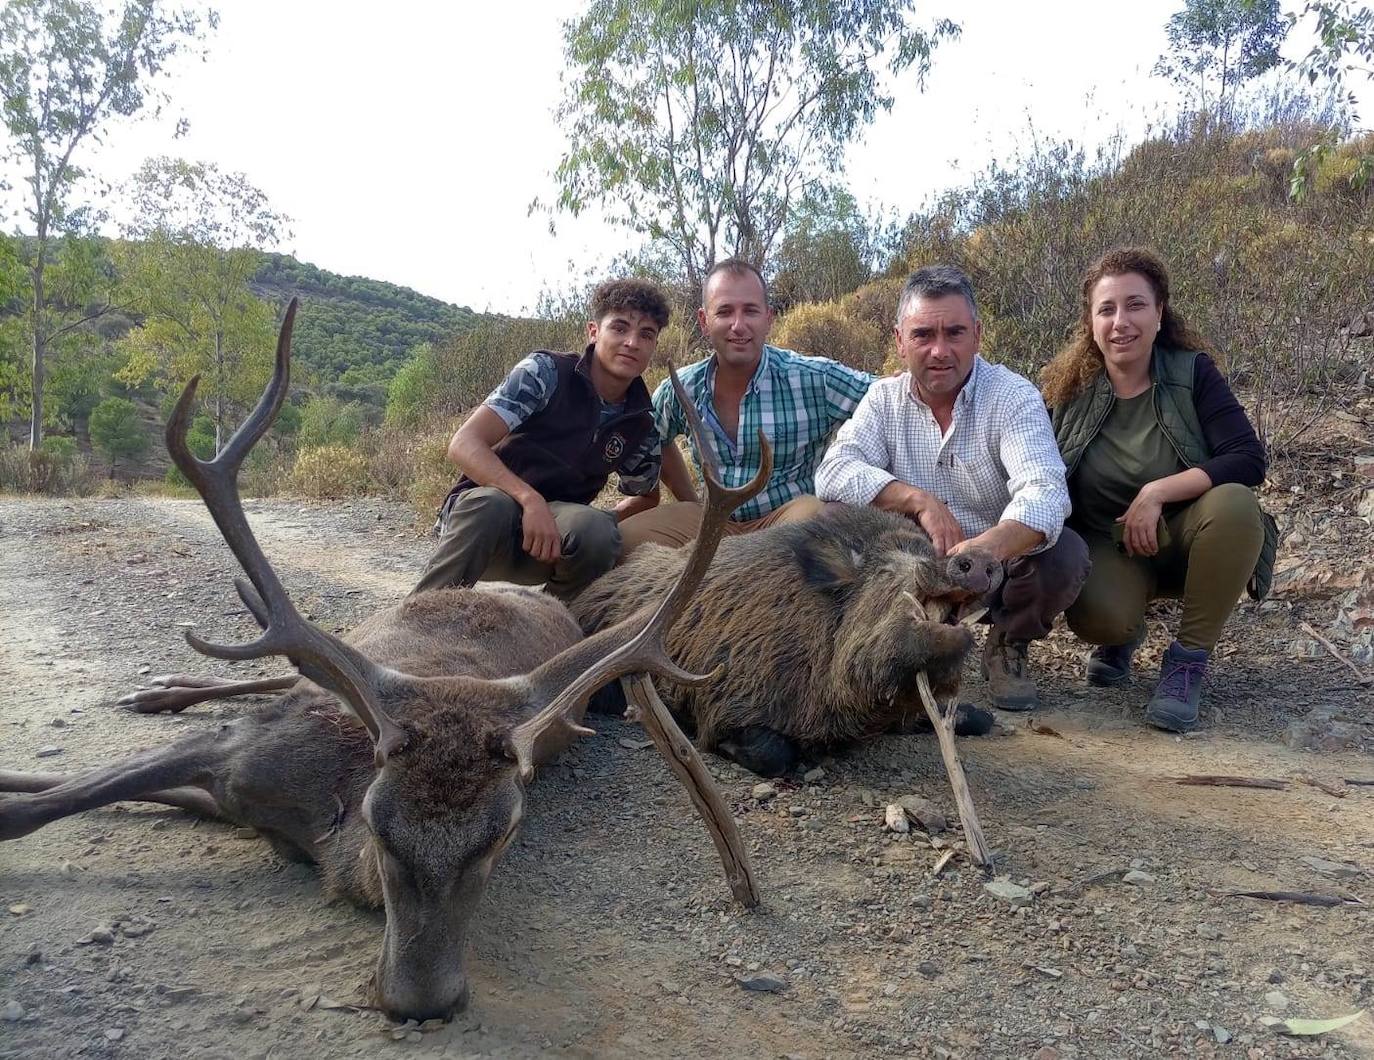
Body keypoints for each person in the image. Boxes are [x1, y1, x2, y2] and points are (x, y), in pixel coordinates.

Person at [815, 265, 1087, 712]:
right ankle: (876, 644)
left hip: (997, 564)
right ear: (900, 341)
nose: (940, 350)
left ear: (977, 335)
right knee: (830, 519)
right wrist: (919, 501)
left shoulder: (1012, 396)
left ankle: (1007, 643)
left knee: (1064, 554)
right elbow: (833, 472)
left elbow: (1045, 492)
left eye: (954, 333)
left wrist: (983, 550)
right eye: (923, 335)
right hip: (916, 564)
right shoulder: (884, 399)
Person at [1041, 246, 1274, 732]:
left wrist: (1157, 492)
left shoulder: (1192, 374)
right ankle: (1124, 634)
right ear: (1091, 321)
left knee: (1235, 504)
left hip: (1191, 536)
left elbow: (1248, 459)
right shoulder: (1066, 394)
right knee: (1098, 619)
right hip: (1111, 544)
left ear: (1160, 312)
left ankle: (1188, 660)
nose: (1120, 321)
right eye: (1107, 309)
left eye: (1135, 305)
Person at [413, 278, 669, 599]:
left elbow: (647, 496)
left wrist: (603, 519)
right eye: (619, 328)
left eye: (646, 334)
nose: (632, 342)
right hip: (485, 524)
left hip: (549, 543)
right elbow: (464, 444)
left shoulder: (639, 422)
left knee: (596, 531)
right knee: (490, 505)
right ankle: (415, 619)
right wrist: (529, 500)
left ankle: (555, 626)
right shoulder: (545, 373)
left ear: (654, 346)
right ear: (593, 331)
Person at [616, 258, 875, 552]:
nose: (738, 326)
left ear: (768, 318)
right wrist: (689, 499)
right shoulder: (682, 387)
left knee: (815, 520)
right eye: (724, 312)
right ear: (704, 321)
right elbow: (654, 437)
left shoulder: (814, 378)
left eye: (750, 311)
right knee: (621, 542)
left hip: (785, 520)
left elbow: (889, 399)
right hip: (711, 521)